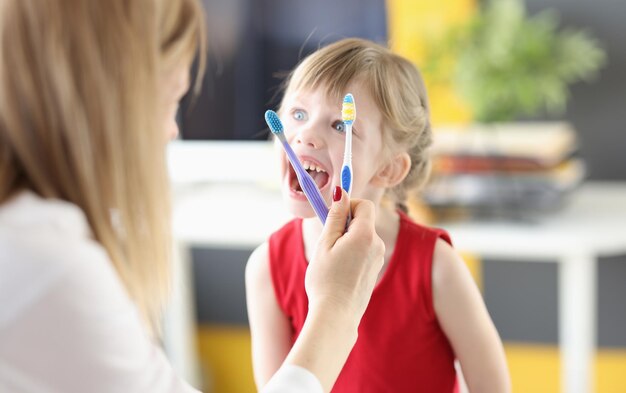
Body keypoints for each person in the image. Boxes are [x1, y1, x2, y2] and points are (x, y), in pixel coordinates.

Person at [0, 1, 385, 393]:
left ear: (392, 169)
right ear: (107, 107)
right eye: (170, 102)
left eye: (340, 124)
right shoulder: (49, 270)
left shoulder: (38, 249)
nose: (172, 132)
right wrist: (336, 310)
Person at [246, 38, 511, 392]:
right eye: (298, 114)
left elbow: (492, 386)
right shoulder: (267, 269)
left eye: (340, 125)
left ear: (388, 170)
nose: (306, 134)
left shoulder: (436, 267)